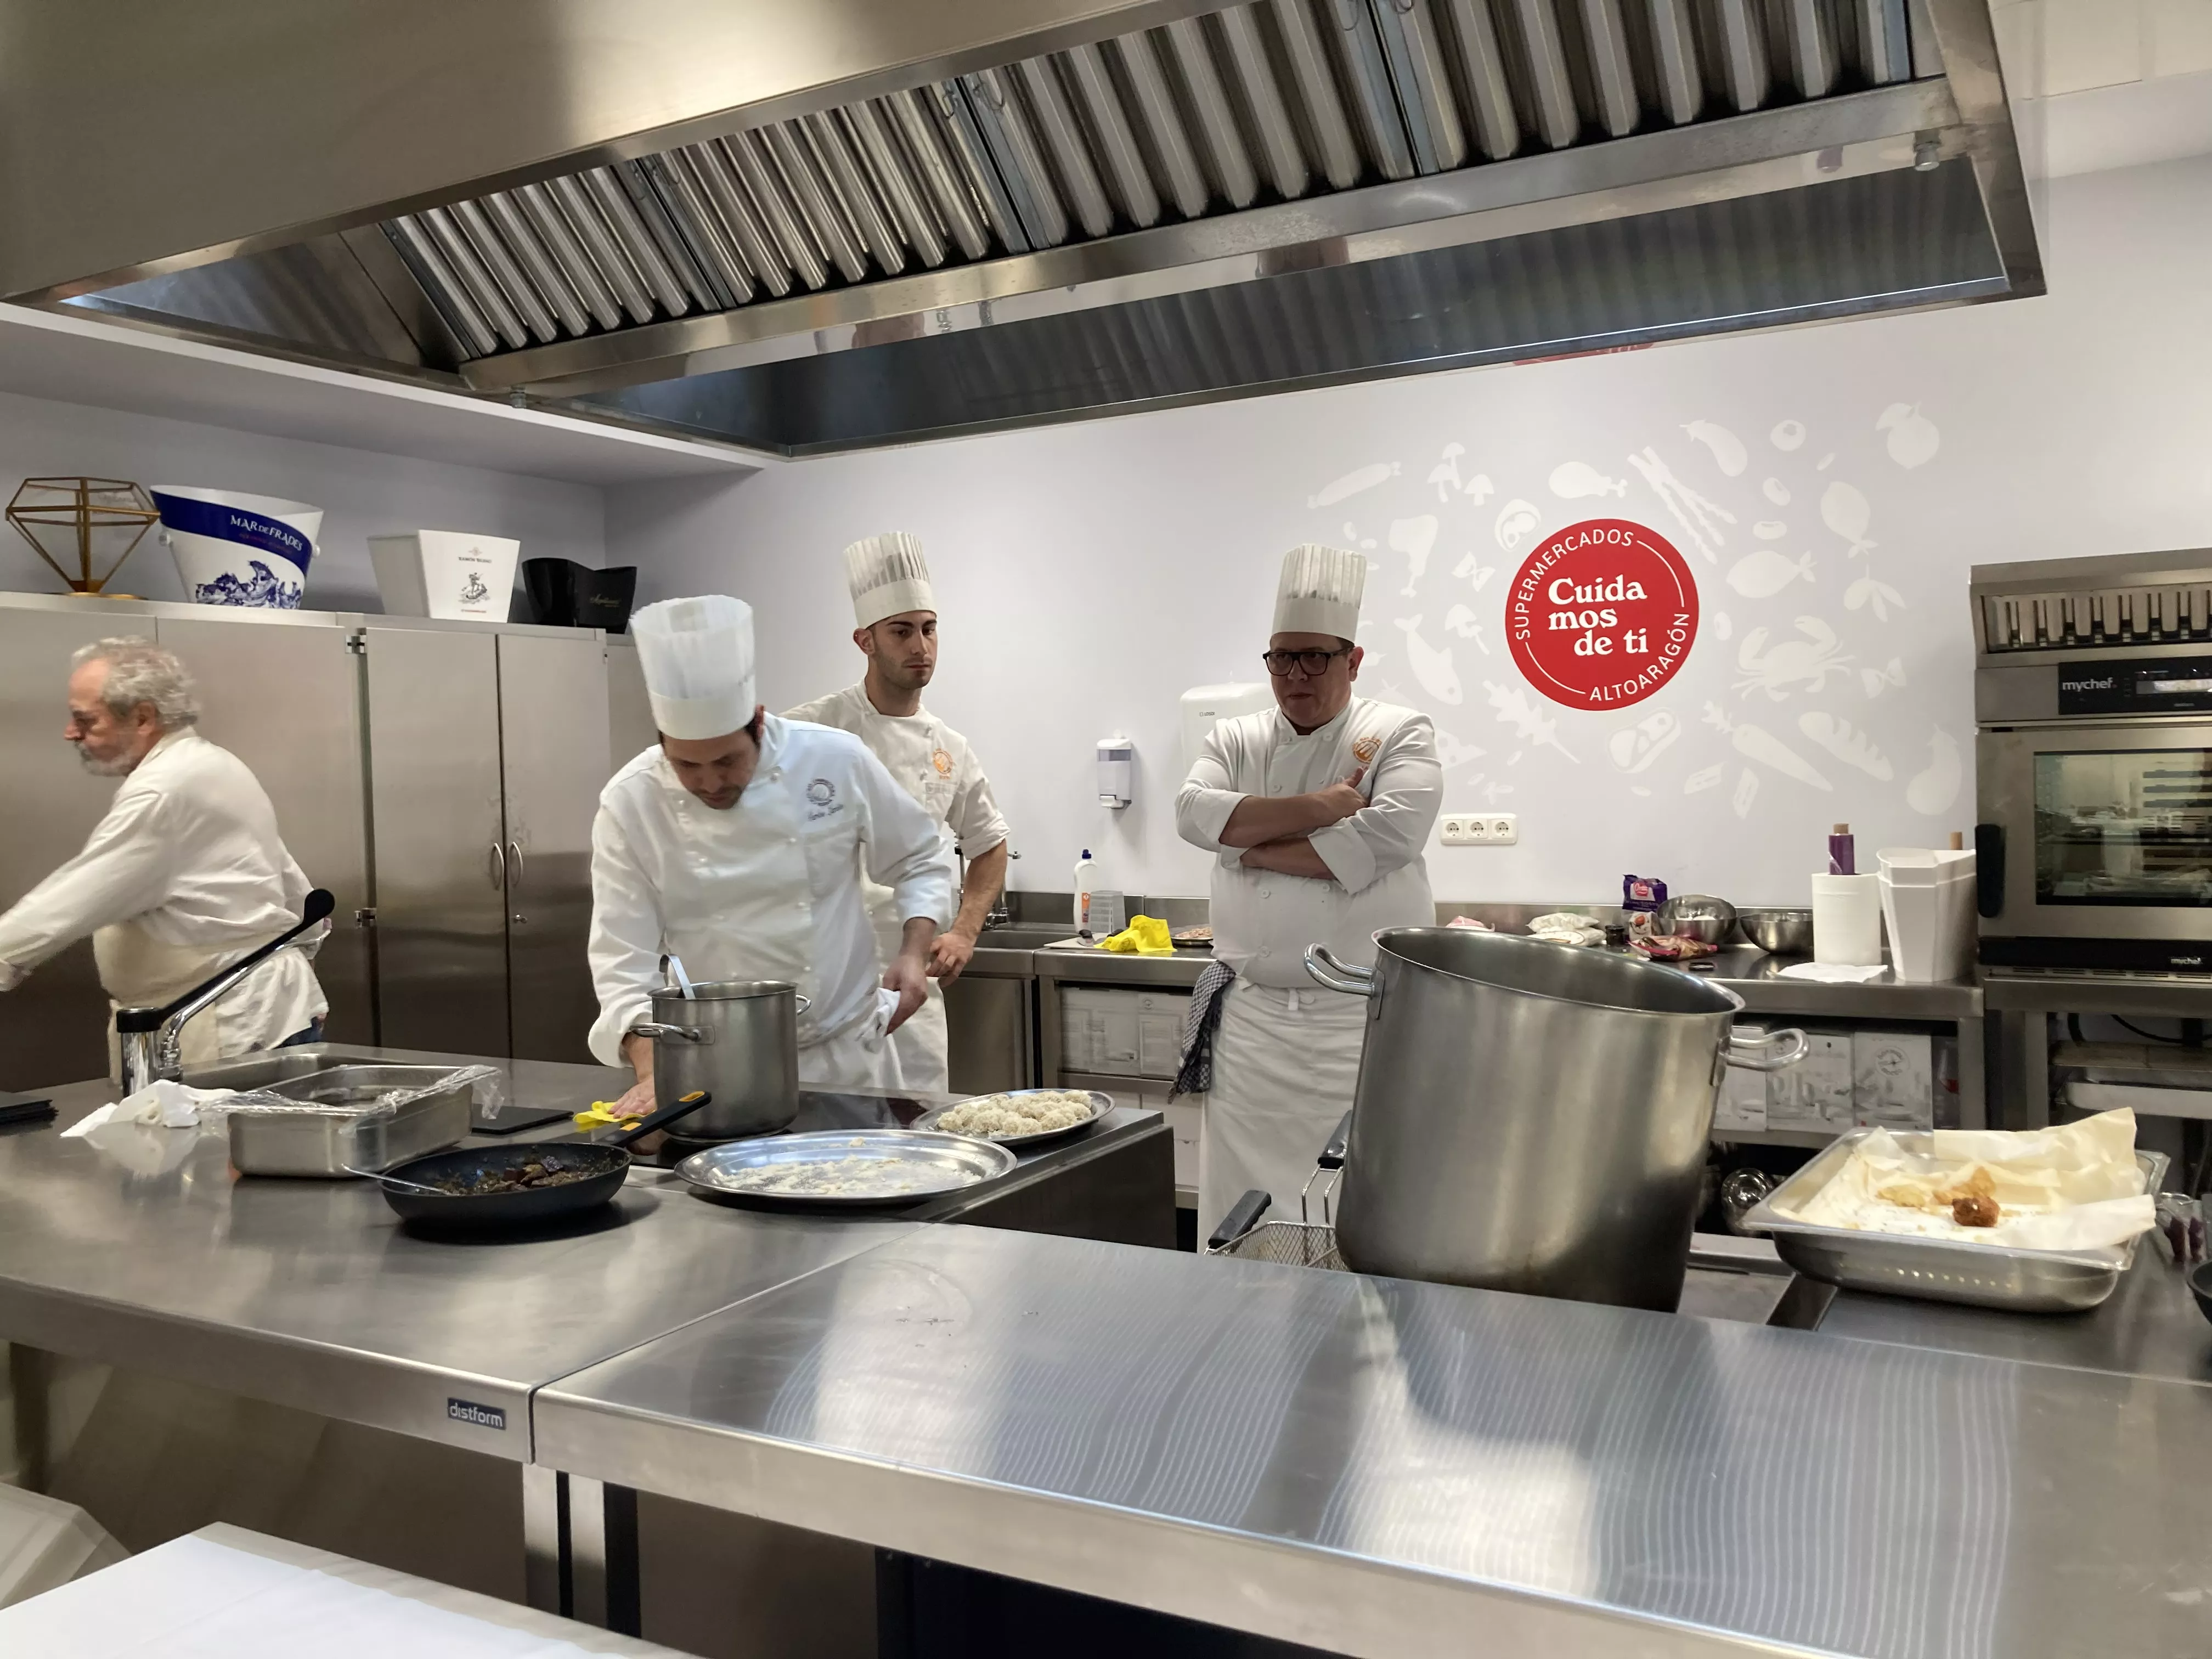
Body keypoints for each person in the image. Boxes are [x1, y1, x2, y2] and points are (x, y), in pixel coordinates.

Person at [589, 593, 956, 1115]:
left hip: (845, 1058)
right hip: (712, 1070)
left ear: (759, 723)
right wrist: (653, 1071)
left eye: (726, 760)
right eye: (687, 767)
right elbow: (623, 962)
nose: (710, 783)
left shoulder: (833, 758)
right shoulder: (631, 801)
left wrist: (914, 952)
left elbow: (920, 856)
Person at [1175, 545, 1441, 1237]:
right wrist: (1322, 808)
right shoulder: (1235, 737)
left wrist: (1248, 843)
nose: (1296, 675)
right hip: (1254, 1028)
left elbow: (1385, 843)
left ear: (1352, 660)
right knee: (1244, 1210)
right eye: (1282, 658)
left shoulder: (1398, 733)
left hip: (1359, 1025)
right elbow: (1194, 814)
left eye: (1316, 657)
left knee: (1361, 1208)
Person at [0, 637, 328, 1068]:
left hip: (227, 1022)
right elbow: (294, 890)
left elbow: (69, 902)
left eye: (85, 719)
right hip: (249, 1011)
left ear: (142, 717)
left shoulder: (166, 791)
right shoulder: (211, 765)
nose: (70, 732)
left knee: (219, 1139)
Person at [785, 532, 1010, 1093]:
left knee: (920, 1136)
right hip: (822, 986)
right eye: (902, 631)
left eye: (929, 630)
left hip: (912, 985)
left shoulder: (948, 747)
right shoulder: (812, 731)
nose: (921, 647)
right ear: (866, 640)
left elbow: (989, 843)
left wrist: (964, 932)